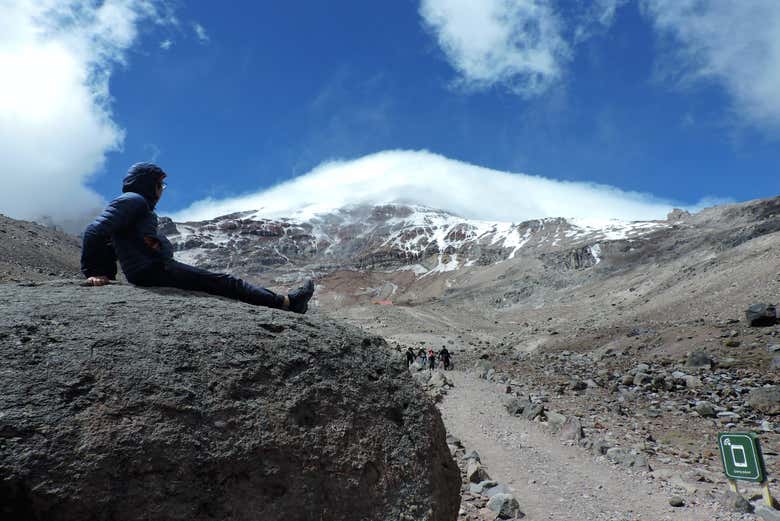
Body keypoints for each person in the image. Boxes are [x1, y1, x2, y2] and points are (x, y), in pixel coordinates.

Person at [81, 162, 314, 313]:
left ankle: (285, 302)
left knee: (219, 284)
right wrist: (96, 272)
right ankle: (288, 303)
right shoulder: (133, 201)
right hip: (154, 270)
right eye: (160, 184)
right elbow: (95, 230)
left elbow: (114, 238)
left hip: (150, 269)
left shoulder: (134, 204)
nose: (162, 190)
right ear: (149, 185)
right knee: (227, 282)